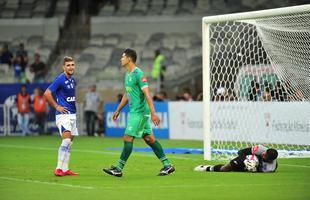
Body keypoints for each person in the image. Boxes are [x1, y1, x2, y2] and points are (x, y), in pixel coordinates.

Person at [103, 49, 175, 177]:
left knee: (127, 137)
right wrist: (118, 109)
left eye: (123, 57)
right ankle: (167, 165)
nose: (121, 59)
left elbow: (147, 94)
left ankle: (119, 168)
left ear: (129, 59)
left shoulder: (138, 74)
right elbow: (127, 93)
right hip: (136, 112)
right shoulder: (128, 74)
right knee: (149, 138)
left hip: (140, 112)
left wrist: (153, 113)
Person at [44, 56, 78, 176]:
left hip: (73, 115)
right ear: (63, 67)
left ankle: (65, 169)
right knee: (66, 140)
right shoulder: (60, 79)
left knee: (70, 143)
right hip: (63, 115)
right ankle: (58, 168)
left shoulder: (73, 80)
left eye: (72, 65)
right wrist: (57, 106)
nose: (70, 67)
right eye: (68, 65)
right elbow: (47, 93)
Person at [194, 145, 278, 173]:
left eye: (265, 156)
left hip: (253, 167)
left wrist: (253, 166)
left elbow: (259, 171)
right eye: (264, 153)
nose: (263, 154)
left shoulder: (271, 167)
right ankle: (207, 168)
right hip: (246, 158)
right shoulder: (260, 149)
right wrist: (246, 160)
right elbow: (241, 151)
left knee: (236, 170)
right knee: (224, 169)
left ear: (270, 160)